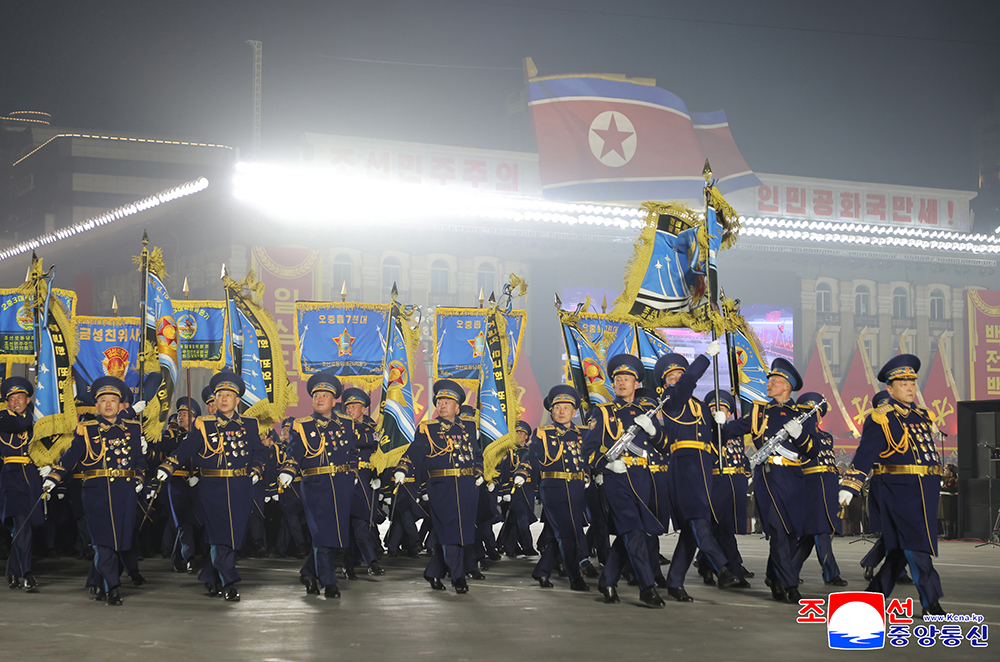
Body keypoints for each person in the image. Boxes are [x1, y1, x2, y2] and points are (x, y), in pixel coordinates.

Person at [839, 355, 945, 616]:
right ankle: (931, 601)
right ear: (890, 389)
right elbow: (866, 453)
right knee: (916, 545)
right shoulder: (881, 418)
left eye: (912, 383)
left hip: (925, 490)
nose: (909, 388)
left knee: (899, 549)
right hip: (900, 491)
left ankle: (872, 596)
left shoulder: (922, 415)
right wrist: (850, 485)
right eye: (903, 383)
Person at [156, 372, 266, 602]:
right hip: (212, 488)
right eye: (220, 395)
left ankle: (210, 575)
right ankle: (229, 582)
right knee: (220, 535)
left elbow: (259, 452)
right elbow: (186, 449)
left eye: (229, 395)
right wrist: (168, 466)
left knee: (233, 537)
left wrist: (256, 469)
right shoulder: (203, 425)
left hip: (240, 487)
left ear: (237, 400)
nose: (224, 399)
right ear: (214, 400)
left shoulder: (249, 425)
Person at [42, 376, 146, 606]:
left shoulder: (133, 428)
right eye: (103, 401)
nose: (108, 405)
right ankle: (113, 588)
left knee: (120, 542)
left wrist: (139, 478)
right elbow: (71, 456)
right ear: (96, 405)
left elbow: (140, 461)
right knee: (104, 541)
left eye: (113, 400)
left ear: (120, 405)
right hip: (97, 493)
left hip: (125, 492)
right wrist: (53, 478)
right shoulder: (87, 429)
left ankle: (96, 581)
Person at [726, 358, 817, 604]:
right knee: (778, 531)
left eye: (774, 381)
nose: (768, 385)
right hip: (769, 478)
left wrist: (800, 436)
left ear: (786, 386)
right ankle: (790, 584)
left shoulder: (803, 415)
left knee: (792, 533)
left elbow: (813, 450)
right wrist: (719, 422)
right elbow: (732, 430)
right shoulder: (760, 412)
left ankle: (773, 577)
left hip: (794, 479)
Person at [655, 346, 741, 602]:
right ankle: (722, 568)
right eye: (671, 378)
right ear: (665, 385)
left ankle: (675, 581)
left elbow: (717, 440)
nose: (677, 380)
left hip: (703, 466)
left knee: (691, 531)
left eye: (679, 376)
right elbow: (688, 381)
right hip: (685, 464)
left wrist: (720, 425)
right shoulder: (671, 399)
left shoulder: (701, 406)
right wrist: (705, 356)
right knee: (698, 519)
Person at [581, 353, 666, 607]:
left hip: (642, 478)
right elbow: (588, 450)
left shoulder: (645, 412)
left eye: (627, 379)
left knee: (629, 532)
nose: (621, 383)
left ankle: (607, 581)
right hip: (617, 479)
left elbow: (664, 446)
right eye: (618, 379)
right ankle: (647, 587)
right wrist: (606, 464)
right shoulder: (604, 412)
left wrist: (653, 430)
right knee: (634, 532)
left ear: (636, 383)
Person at [394, 379, 482, 594]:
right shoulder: (429, 428)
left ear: (457, 407)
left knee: (461, 533)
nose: (442, 405)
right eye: (439, 402)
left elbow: (477, 454)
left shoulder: (469, 427)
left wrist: (479, 472)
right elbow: (416, 450)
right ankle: (458, 577)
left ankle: (433, 572)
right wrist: (403, 468)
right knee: (450, 531)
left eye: (447, 402)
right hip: (442, 488)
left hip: (467, 487)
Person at [277, 373, 360, 599]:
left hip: (341, 485)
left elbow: (352, 453)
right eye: (316, 396)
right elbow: (294, 452)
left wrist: (352, 472)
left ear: (334, 401)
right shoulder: (302, 425)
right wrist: (288, 471)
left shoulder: (346, 424)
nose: (320, 399)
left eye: (325, 395)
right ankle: (329, 582)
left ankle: (308, 573)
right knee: (322, 533)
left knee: (334, 535)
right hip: (316, 486)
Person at [515, 385, 590, 591]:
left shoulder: (583, 433)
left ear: (574, 412)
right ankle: (575, 578)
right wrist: (522, 472)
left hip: (577, 488)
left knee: (564, 532)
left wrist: (589, 474)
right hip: (553, 488)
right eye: (557, 407)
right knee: (568, 533)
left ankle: (542, 571)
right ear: (551, 411)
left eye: (566, 407)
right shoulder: (544, 433)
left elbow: (588, 457)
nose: (562, 411)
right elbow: (532, 455)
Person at [791, 392, 847, 587]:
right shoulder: (797, 436)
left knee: (810, 535)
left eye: (816, 412)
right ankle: (831, 573)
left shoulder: (827, 437)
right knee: (821, 532)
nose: (814, 416)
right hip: (811, 487)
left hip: (828, 486)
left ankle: (789, 571)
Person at [697, 390, 752, 588]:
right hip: (717, 484)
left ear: (729, 413)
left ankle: (705, 564)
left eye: (721, 409)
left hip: (734, 485)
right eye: (713, 409)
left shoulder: (733, 431)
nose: (717, 412)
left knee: (722, 530)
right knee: (723, 531)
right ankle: (733, 571)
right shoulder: (707, 431)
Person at [1, 377, 43, 592]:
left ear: (28, 399)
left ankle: (12, 571)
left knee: (26, 527)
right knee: (22, 526)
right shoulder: (3, 417)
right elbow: (20, 424)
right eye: (12, 399)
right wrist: (36, 410)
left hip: (32, 478)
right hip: (12, 479)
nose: (16, 402)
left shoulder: (37, 418)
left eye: (20, 397)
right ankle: (27, 573)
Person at [340, 387, 385, 578]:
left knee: (361, 523)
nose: (350, 409)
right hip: (345, 478)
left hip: (366, 478)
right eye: (348, 406)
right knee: (349, 525)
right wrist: (370, 438)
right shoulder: (341, 425)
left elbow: (381, 454)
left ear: (363, 408)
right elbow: (350, 441)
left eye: (354, 406)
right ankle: (357, 564)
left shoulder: (373, 427)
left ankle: (365, 563)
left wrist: (378, 476)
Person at [159, 396, 202, 573]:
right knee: (183, 521)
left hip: (196, 482)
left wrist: (198, 475)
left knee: (192, 521)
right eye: (179, 414)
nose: (180, 417)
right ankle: (189, 558)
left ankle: (178, 557)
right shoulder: (172, 435)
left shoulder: (201, 435)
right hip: (177, 482)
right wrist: (187, 439)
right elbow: (167, 445)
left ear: (194, 417)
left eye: (185, 414)